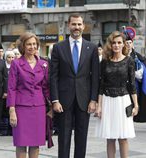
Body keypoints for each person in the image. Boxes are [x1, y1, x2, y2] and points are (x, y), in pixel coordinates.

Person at [50, 13, 99, 158]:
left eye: (79, 24)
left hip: (84, 100)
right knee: (63, 137)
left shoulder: (92, 48)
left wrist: (93, 99)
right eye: (73, 24)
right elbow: (53, 76)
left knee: (81, 137)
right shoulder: (58, 48)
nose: (76, 27)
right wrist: (55, 100)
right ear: (68, 25)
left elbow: (95, 76)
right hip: (63, 101)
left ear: (83, 26)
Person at [95, 31, 139, 158]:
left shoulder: (129, 61)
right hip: (108, 101)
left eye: (119, 42)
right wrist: (99, 106)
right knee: (110, 138)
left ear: (123, 44)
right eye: (114, 43)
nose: (116, 45)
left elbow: (132, 85)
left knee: (123, 137)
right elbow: (101, 85)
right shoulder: (104, 62)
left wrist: (136, 104)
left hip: (124, 101)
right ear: (110, 45)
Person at [7, 32, 50, 158]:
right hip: (21, 108)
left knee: (35, 143)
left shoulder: (43, 64)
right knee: (21, 143)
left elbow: (46, 88)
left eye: (34, 44)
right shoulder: (16, 63)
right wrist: (12, 110)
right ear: (23, 46)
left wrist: (52, 106)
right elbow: (11, 88)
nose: (32, 47)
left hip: (38, 107)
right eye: (29, 44)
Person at [124, 33, 146, 122]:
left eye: (130, 42)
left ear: (132, 44)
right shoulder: (121, 55)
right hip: (123, 84)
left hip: (135, 84)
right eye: (127, 43)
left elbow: (143, 69)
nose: (128, 44)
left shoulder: (137, 56)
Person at [0, 50, 15, 136]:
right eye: (9, 57)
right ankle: (3, 130)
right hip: (4, 92)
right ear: (6, 58)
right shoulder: (3, 66)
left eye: (12, 57)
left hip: (13, 92)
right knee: (4, 112)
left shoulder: (16, 66)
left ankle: (11, 130)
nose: (11, 59)